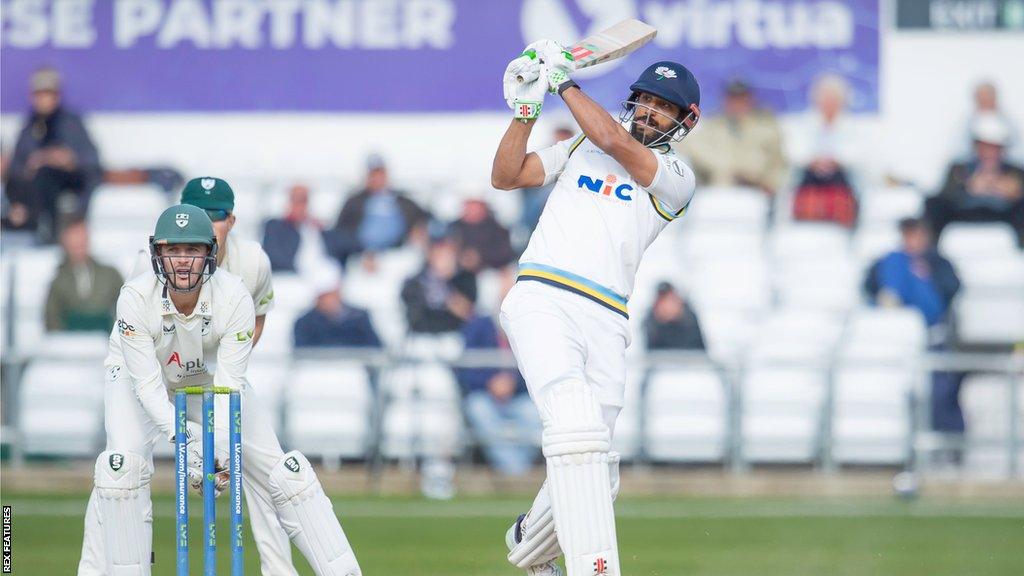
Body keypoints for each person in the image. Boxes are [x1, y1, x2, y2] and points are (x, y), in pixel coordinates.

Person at [493, 42, 700, 576]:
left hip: (607, 318)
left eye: (664, 107)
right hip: (542, 296)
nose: (650, 112)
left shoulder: (675, 178)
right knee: (575, 430)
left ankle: (530, 545)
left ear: (686, 121)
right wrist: (526, 111)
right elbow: (507, 176)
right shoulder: (582, 142)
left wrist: (564, 82)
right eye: (645, 100)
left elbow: (612, 137)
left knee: (598, 468)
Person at [76, 205, 362, 576]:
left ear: (209, 253)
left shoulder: (235, 297)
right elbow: (147, 387)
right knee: (120, 472)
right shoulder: (134, 297)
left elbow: (229, 388)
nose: (182, 262)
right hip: (135, 376)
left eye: (192, 250)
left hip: (207, 379)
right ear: (157, 253)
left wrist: (219, 456)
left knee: (288, 473)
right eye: (172, 251)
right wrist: (187, 443)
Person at [863, 218, 963, 440]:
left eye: (916, 234)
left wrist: (925, 275)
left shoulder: (939, 262)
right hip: (896, 336)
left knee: (940, 395)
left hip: (930, 333)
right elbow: (868, 286)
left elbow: (950, 290)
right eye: (908, 235)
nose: (913, 240)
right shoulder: (893, 260)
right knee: (896, 261)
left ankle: (947, 445)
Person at [3, 67, 103, 243]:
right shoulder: (30, 126)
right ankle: (34, 225)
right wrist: (35, 162)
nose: (43, 99)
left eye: (48, 93)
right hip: (35, 191)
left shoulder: (70, 123)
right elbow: (17, 166)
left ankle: (51, 231)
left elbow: (91, 161)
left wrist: (68, 159)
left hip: (68, 184)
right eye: (39, 94)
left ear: (57, 96)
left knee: (47, 176)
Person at [458, 315, 541, 476]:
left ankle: (515, 470)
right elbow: (466, 368)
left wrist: (513, 383)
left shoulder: (530, 325)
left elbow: (538, 368)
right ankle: (516, 472)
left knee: (535, 413)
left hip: (519, 396)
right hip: (486, 396)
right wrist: (490, 383)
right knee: (478, 408)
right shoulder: (479, 325)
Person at [926, 113, 1024, 244]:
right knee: (933, 203)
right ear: (976, 146)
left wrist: (1013, 192)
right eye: (985, 146)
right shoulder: (958, 169)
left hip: (1003, 213)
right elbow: (944, 194)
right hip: (965, 212)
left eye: (995, 147)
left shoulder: (1015, 171)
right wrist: (968, 187)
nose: (989, 152)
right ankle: (930, 253)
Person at [677, 79, 787, 196]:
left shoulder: (767, 128)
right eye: (732, 99)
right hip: (718, 191)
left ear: (751, 100)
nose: (737, 104)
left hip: (757, 193)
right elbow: (689, 149)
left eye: (742, 98)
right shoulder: (713, 127)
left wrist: (771, 184)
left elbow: (779, 163)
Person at [787, 74, 861, 227]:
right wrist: (814, 161)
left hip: (841, 177)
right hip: (810, 176)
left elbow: (857, 154)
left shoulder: (853, 126)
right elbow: (794, 152)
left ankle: (847, 223)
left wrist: (835, 161)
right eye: (825, 98)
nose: (829, 103)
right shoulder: (804, 123)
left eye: (834, 99)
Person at [328, 154, 429, 262]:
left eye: (380, 174)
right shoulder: (354, 202)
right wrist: (362, 252)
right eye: (373, 174)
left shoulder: (403, 201)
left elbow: (427, 218)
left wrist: (419, 230)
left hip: (398, 254)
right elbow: (338, 232)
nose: (377, 179)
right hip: (362, 257)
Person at [44, 217, 123, 332]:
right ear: (65, 243)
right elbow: (51, 319)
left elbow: (126, 311)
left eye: (82, 241)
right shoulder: (58, 281)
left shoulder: (110, 275)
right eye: (74, 243)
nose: (78, 247)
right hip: (69, 344)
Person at [400, 234, 477, 334]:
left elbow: (469, 314)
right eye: (439, 254)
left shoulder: (465, 278)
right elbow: (413, 317)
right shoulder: (416, 280)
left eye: (448, 254)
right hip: (422, 336)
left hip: (456, 335)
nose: (445, 259)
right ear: (431, 255)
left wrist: (445, 288)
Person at [294, 264, 382, 348]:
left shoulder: (359, 317)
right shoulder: (305, 323)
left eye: (331, 294)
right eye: (324, 296)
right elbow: (301, 353)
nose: (329, 300)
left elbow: (375, 348)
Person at [262, 183, 332, 273]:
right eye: (296, 200)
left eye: (303, 200)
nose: (300, 205)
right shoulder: (275, 226)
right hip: (291, 276)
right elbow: (273, 255)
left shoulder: (315, 229)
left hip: (319, 272)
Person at [520, 125, 575, 233]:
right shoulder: (544, 154)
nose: (560, 140)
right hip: (540, 192)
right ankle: (525, 229)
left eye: (564, 137)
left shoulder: (578, 156)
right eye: (559, 137)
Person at [449, 192, 516, 272]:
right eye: (470, 205)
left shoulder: (496, 228)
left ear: (484, 206)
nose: (473, 209)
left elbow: (505, 254)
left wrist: (480, 257)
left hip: (490, 273)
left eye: (476, 205)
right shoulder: (454, 227)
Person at [955, 81, 1021, 162]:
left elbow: (1015, 148)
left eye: (988, 96)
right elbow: (961, 150)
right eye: (981, 97)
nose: (985, 100)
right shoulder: (968, 123)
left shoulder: (1007, 122)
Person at [644, 282, 705, 350]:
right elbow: (652, 353)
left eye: (669, 300)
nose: (667, 305)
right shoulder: (652, 323)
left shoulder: (690, 320)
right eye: (663, 301)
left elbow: (700, 351)